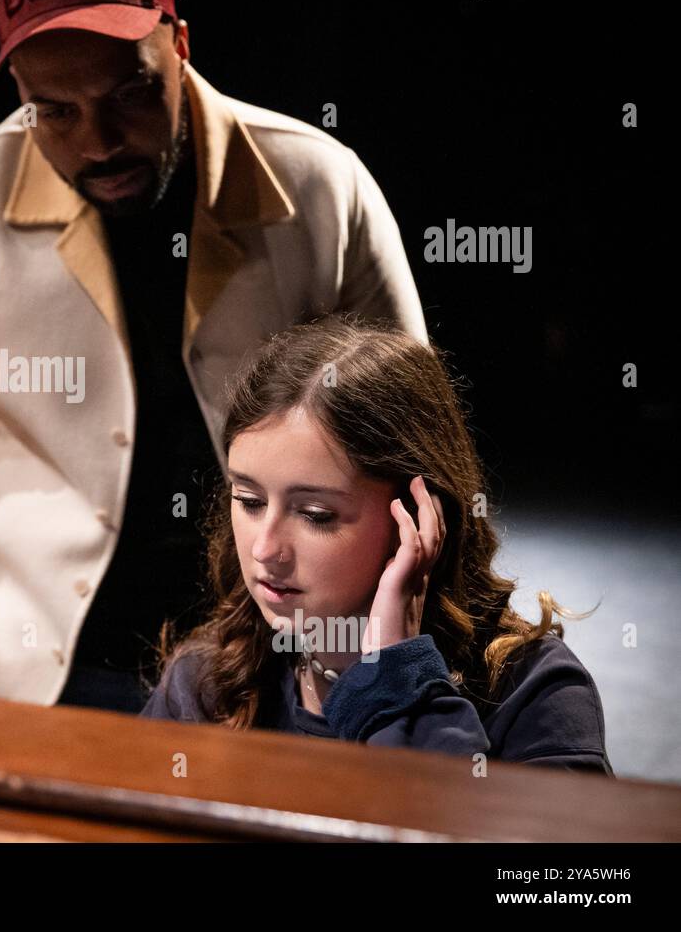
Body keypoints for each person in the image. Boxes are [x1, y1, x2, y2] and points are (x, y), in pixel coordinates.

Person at [0, 0, 427, 711]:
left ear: (179, 43)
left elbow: (408, 443)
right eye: (57, 111)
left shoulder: (324, 187)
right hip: (35, 670)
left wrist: (385, 648)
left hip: (287, 654)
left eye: (132, 93)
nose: (100, 141)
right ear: (18, 93)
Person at [140, 316, 613, 774]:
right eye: (249, 500)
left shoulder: (534, 692)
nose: (265, 549)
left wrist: (396, 677)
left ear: (417, 517)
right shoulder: (208, 677)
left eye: (315, 514)